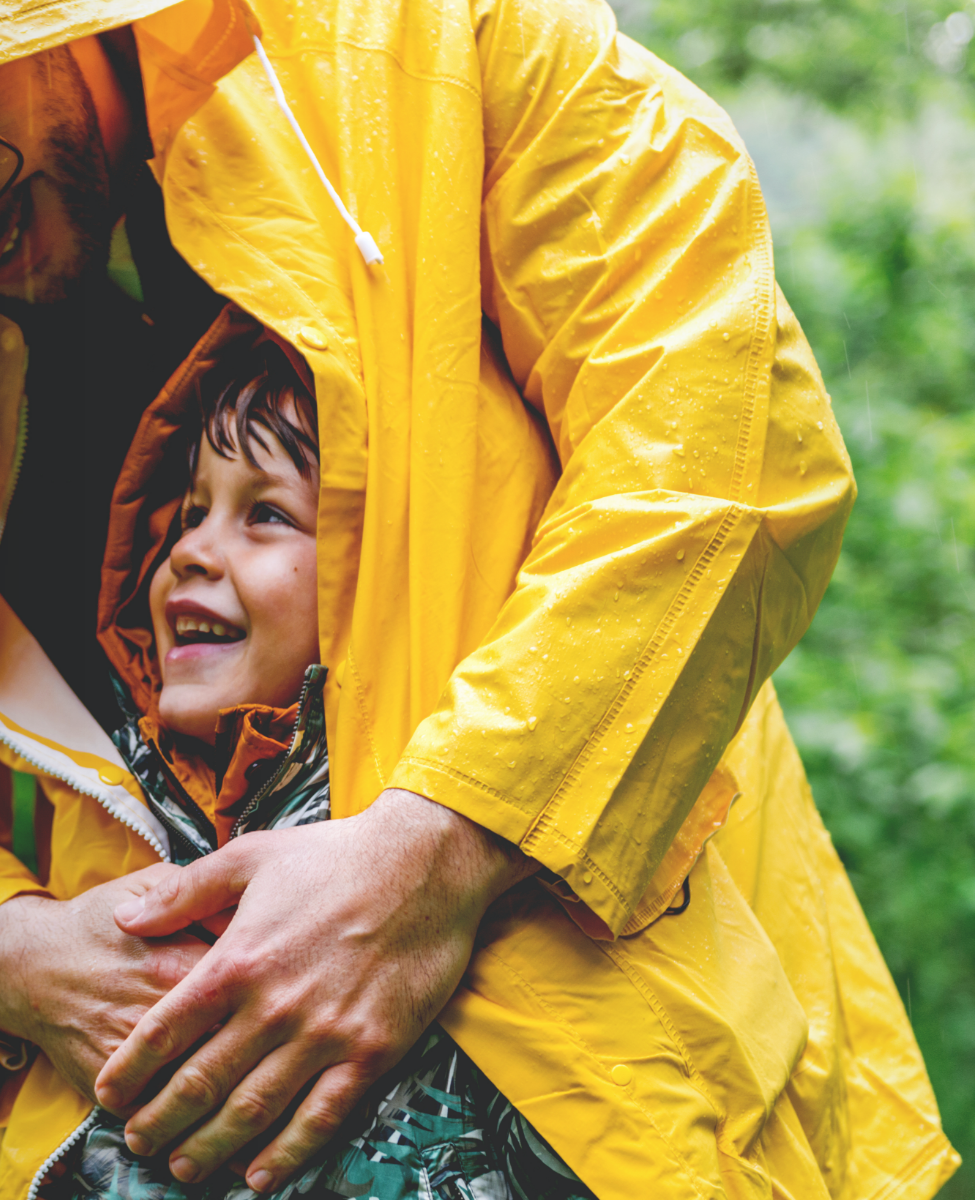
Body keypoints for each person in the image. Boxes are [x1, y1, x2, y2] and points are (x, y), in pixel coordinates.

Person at [0, 0, 959, 1196]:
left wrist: (442, 851)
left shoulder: (427, 47)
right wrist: (5, 956)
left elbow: (721, 445)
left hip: (622, 1109)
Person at [46, 309, 595, 1199]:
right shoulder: (126, 808)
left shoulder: (481, 832)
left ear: (373, 574)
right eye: (189, 513)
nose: (188, 550)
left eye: (264, 514)